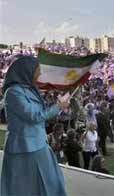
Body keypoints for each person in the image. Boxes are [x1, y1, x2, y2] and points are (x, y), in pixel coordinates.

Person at [0, 56, 68, 196]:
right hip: (24, 147)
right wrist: (58, 107)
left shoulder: (29, 89)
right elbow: (34, 116)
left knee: (50, 181)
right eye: (37, 70)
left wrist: (57, 105)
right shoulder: (13, 92)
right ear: (27, 71)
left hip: (37, 143)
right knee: (28, 187)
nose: (39, 74)